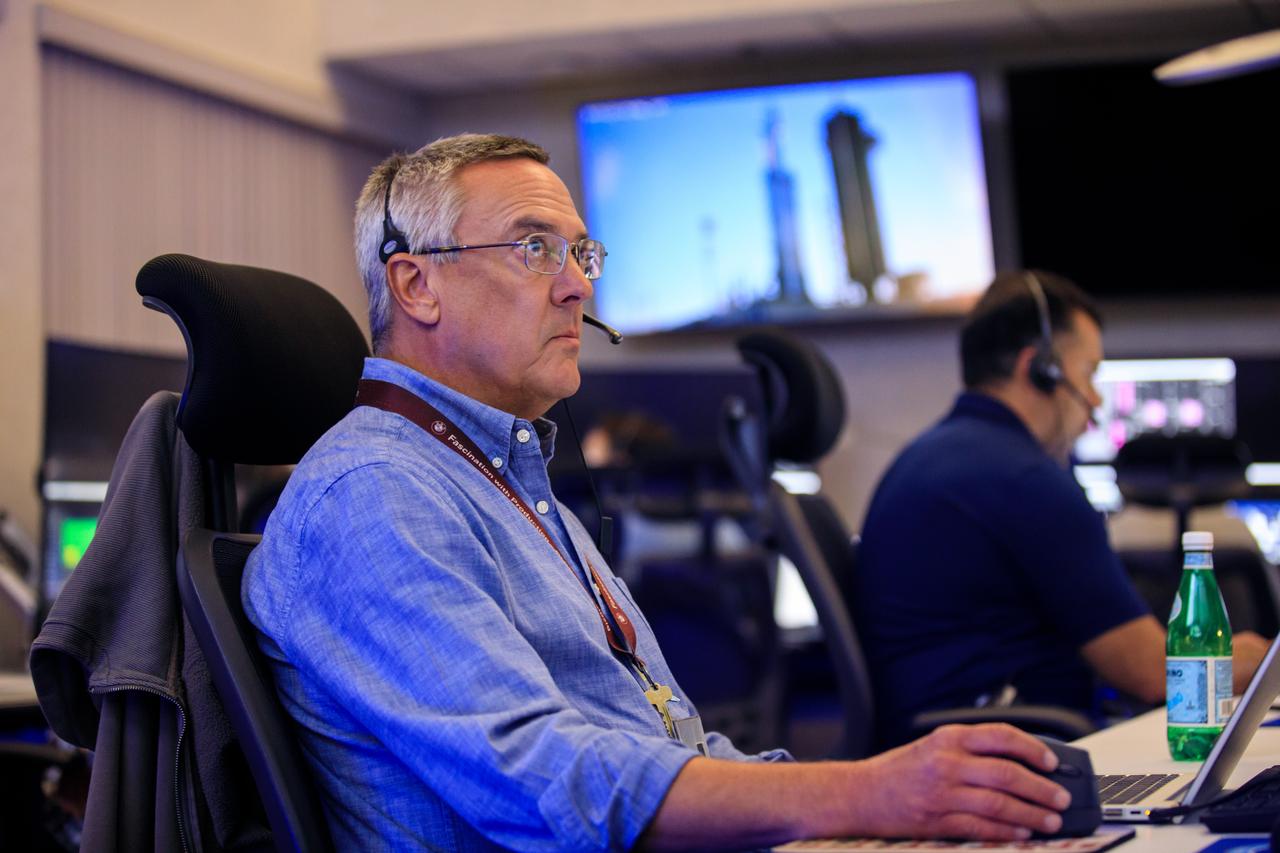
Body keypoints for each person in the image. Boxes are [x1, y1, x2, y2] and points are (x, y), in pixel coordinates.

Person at [243, 134, 1072, 851]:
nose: (577, 287)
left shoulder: (512, 491)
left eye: (580, 254)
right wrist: (862, 796)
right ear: (417, 284)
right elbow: (549, 780)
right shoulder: (373, 495)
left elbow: (668, 744)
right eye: (534, 248)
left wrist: (884, 805)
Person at [854, 270, 1270, 749]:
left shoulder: (936, 456)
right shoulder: (1022, 478)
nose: (1094, 400)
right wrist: (1259, 657)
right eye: (1089, 373)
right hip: (1001, 755)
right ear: (1041, 369)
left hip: (958, 743)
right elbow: (1157, 675)